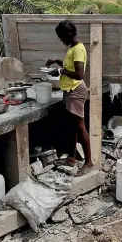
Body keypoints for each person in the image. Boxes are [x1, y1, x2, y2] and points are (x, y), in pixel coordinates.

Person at [46, 21, 93, 175]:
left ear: (68, 34)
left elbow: (79, 74)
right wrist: (56, 62)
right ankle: (72, 159)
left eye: (61, 38)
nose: (61, 40)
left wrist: (60, 71)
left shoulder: (78, 49)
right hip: (69, 91)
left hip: (76, 91)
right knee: (72, 127)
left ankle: (88, 163)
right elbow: (70, 67)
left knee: (80, 127)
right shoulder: (72, 48)